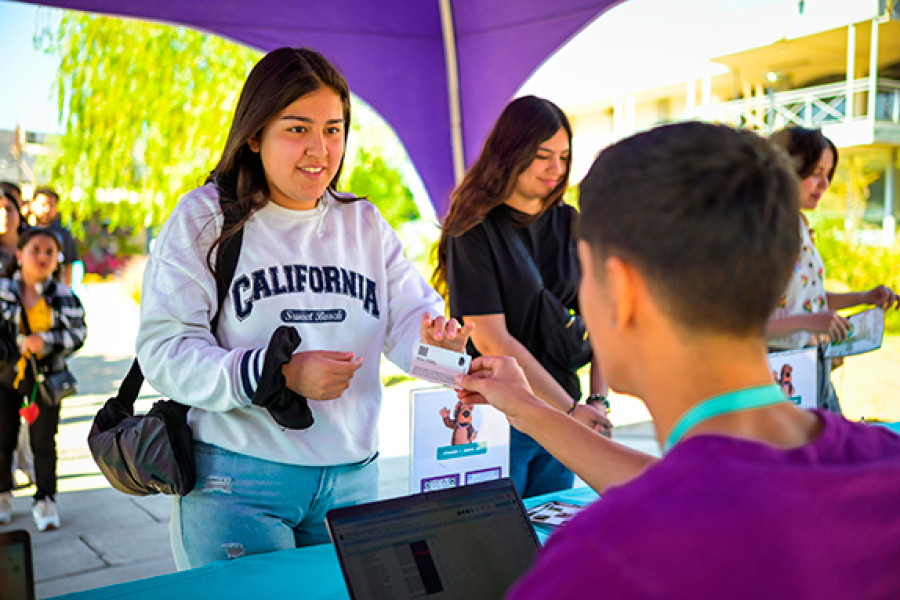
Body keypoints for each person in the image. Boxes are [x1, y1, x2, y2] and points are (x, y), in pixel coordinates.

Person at [455, 122, 900, 599]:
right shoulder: (880, 465)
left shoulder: (596, 566)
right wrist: (532, 410)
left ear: (619, 292)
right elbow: (721, 492)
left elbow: (695, 499)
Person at [135, 47, 472, 570]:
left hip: (353, 484)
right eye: (297, 129)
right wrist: (280, 375)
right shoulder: (206, 217)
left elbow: (411, 327)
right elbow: (166, 351)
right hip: (237, 486)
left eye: (333, 129)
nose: (320, 149)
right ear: (254, 134)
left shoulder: (363, 223)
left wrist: (441, 350)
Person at [433, 96, 611, 498]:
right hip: (502, 418)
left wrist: (598, 401)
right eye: (543, 155)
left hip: (571, 413)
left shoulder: (570, 222)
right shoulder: (474, 229)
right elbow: (494, 340)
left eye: (564, 156)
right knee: (503, 550)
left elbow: (602, 318)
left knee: (552, 540)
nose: (557, 169)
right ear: (510, 154)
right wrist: (567, 412)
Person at [766, 127, 898, 413]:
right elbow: (747, 325)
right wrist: (810, 323)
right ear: (786, 169)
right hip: (780, 379)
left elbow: (805, 299)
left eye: (828, 174)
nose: (825, 185)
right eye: (816, 173)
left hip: (814, 368)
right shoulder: (763, 233)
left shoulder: (799, 224)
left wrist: (863, 297)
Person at [0, 227, 87, 531]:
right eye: (35, 249)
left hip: (46, 380)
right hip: (6, 377)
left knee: (44, 442)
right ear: (19, 254)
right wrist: (17, 346)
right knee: (3, 438)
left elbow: (79, 334)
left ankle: (45, 499)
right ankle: (2, 495)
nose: (42, 256)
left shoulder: (65, 295)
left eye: (49, 251)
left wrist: (46, 341)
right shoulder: (3, 291)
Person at [28, 188, 80, 287]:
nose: (47, 209)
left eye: (51, 206)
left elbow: (68, 264)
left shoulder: (63, 234)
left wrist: (65, 289)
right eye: (43, 205)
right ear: (33, 205)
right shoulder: (25, 231)